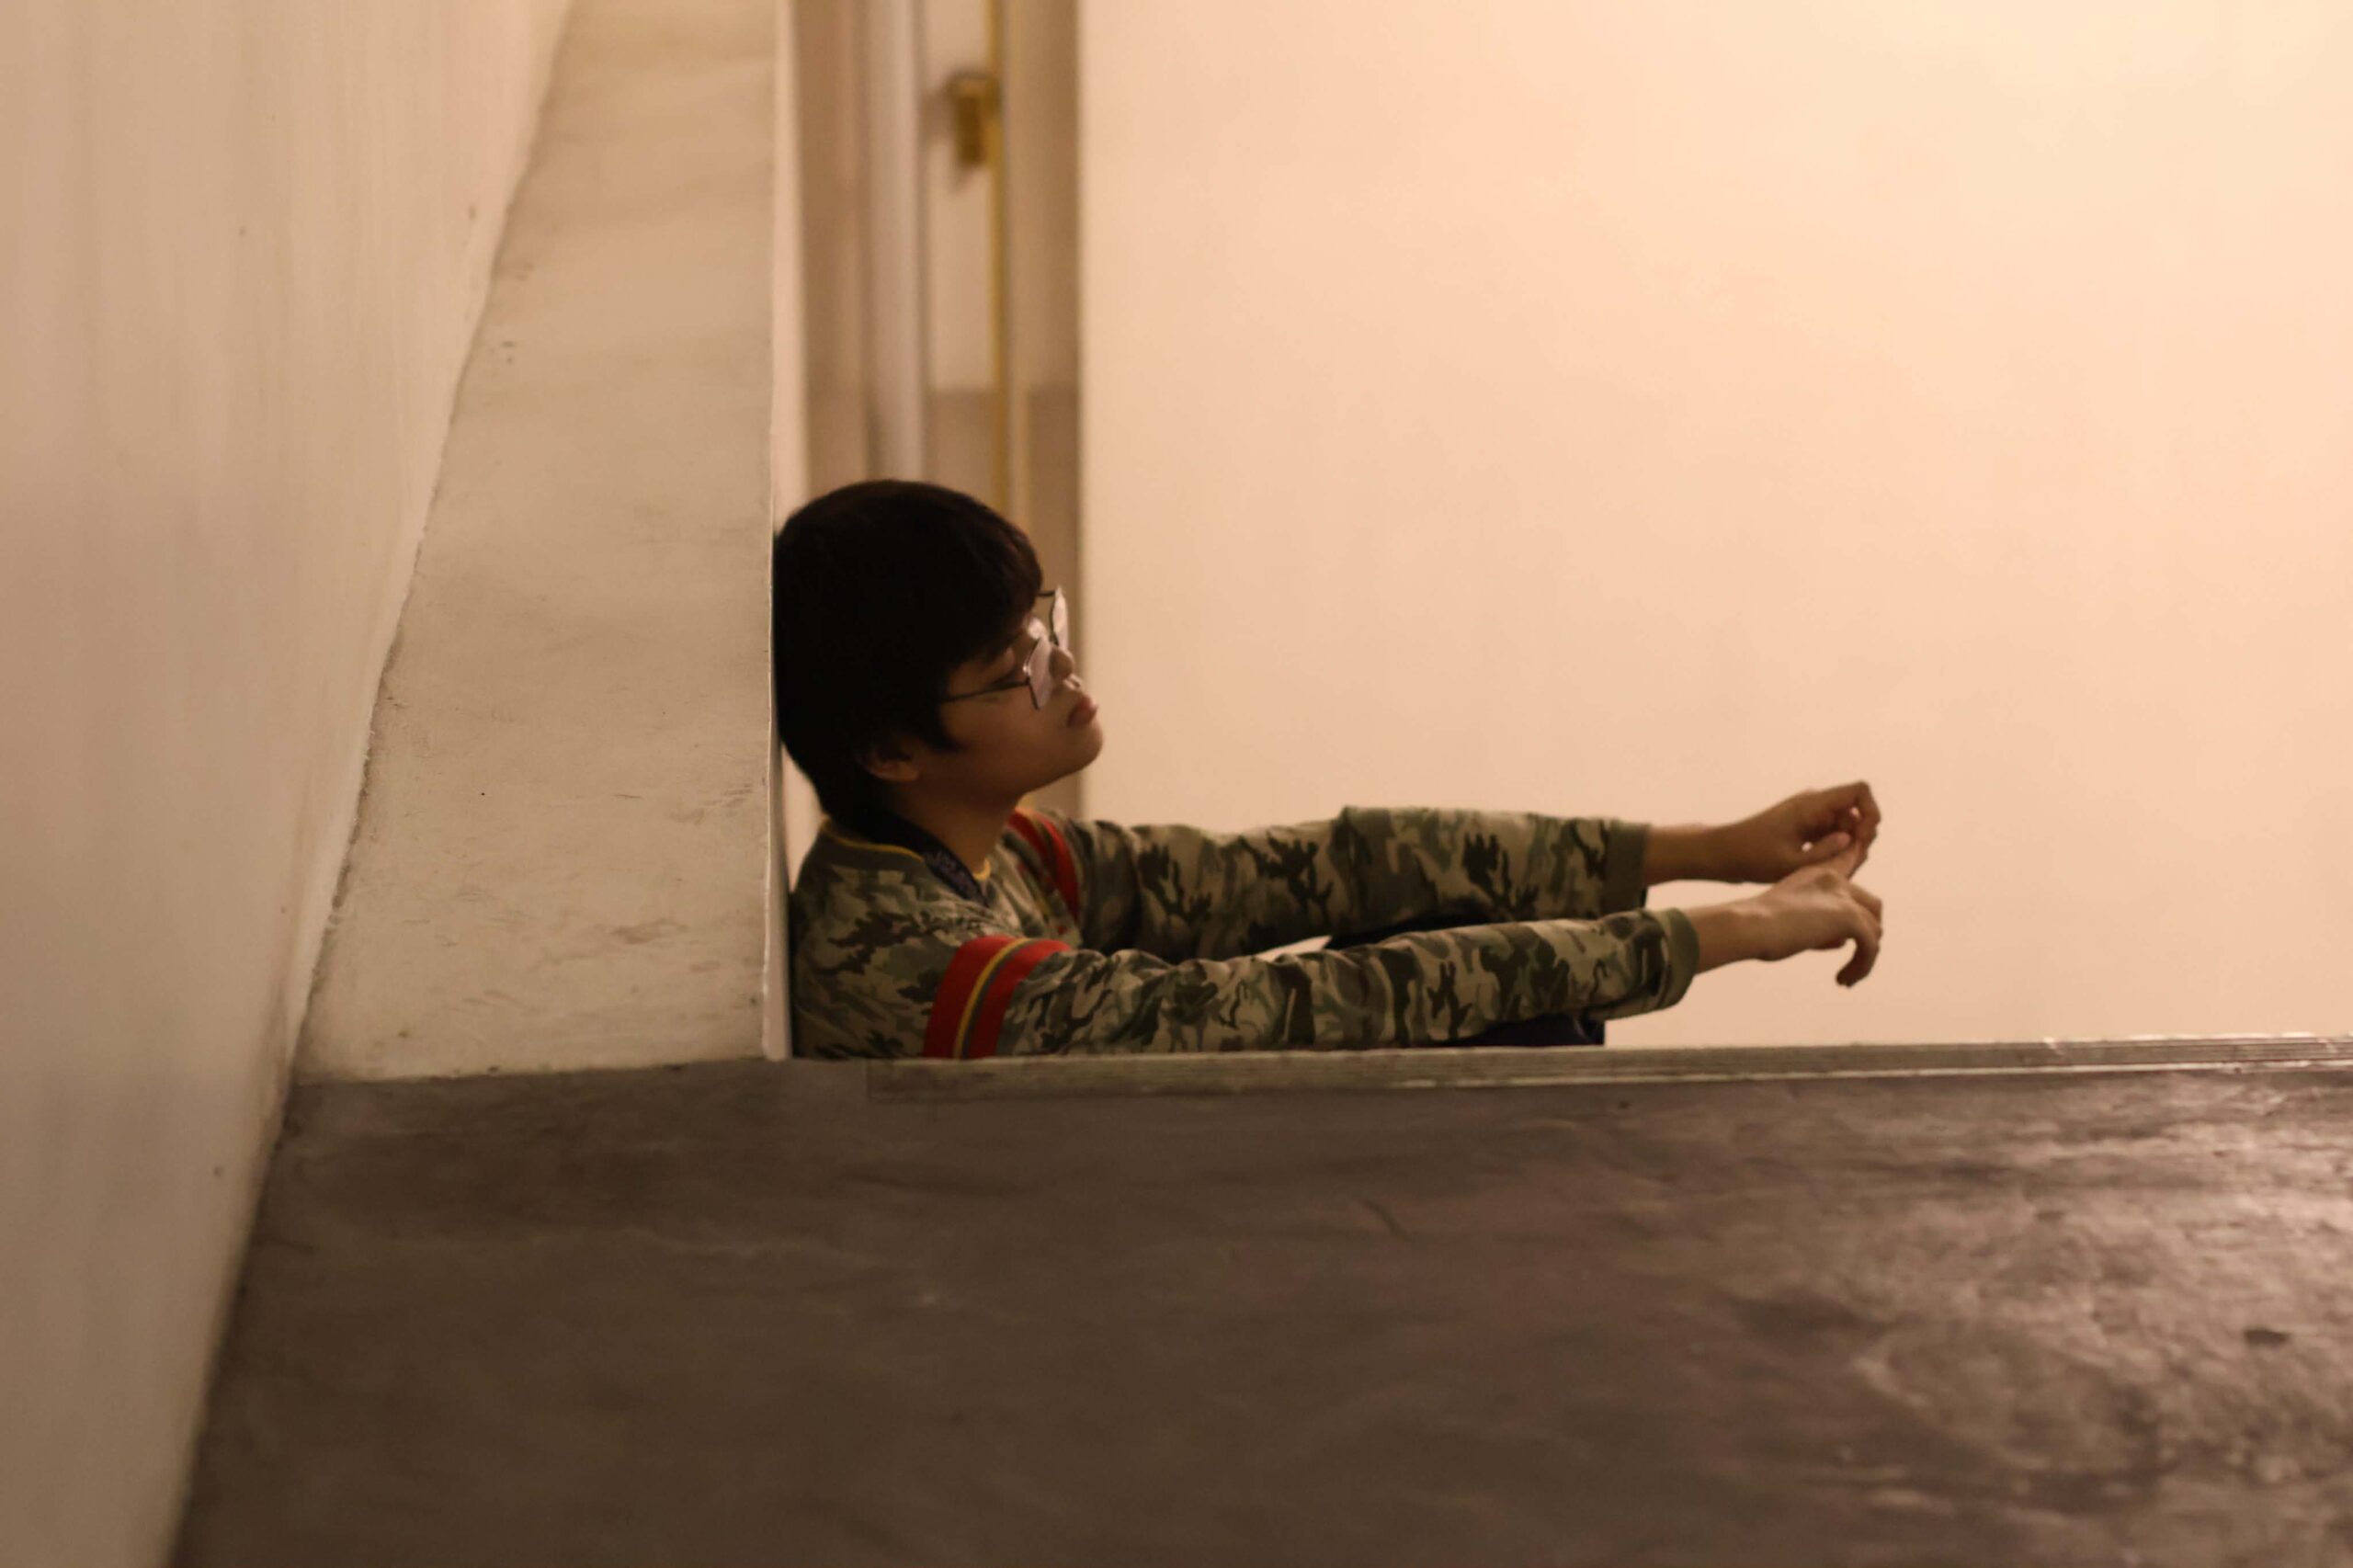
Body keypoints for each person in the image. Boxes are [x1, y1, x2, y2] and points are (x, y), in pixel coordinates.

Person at [773, 479, 1884, 1061]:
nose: (1060, 666)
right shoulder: (921, 963)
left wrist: (1712, 850)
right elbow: (1313, 1006)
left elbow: (1329, 866)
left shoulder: (981, 848)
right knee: (1464, 1013)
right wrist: (1737, 930)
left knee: (1439, 928)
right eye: (1012, 666)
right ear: (890, 748)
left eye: (1041, 626)